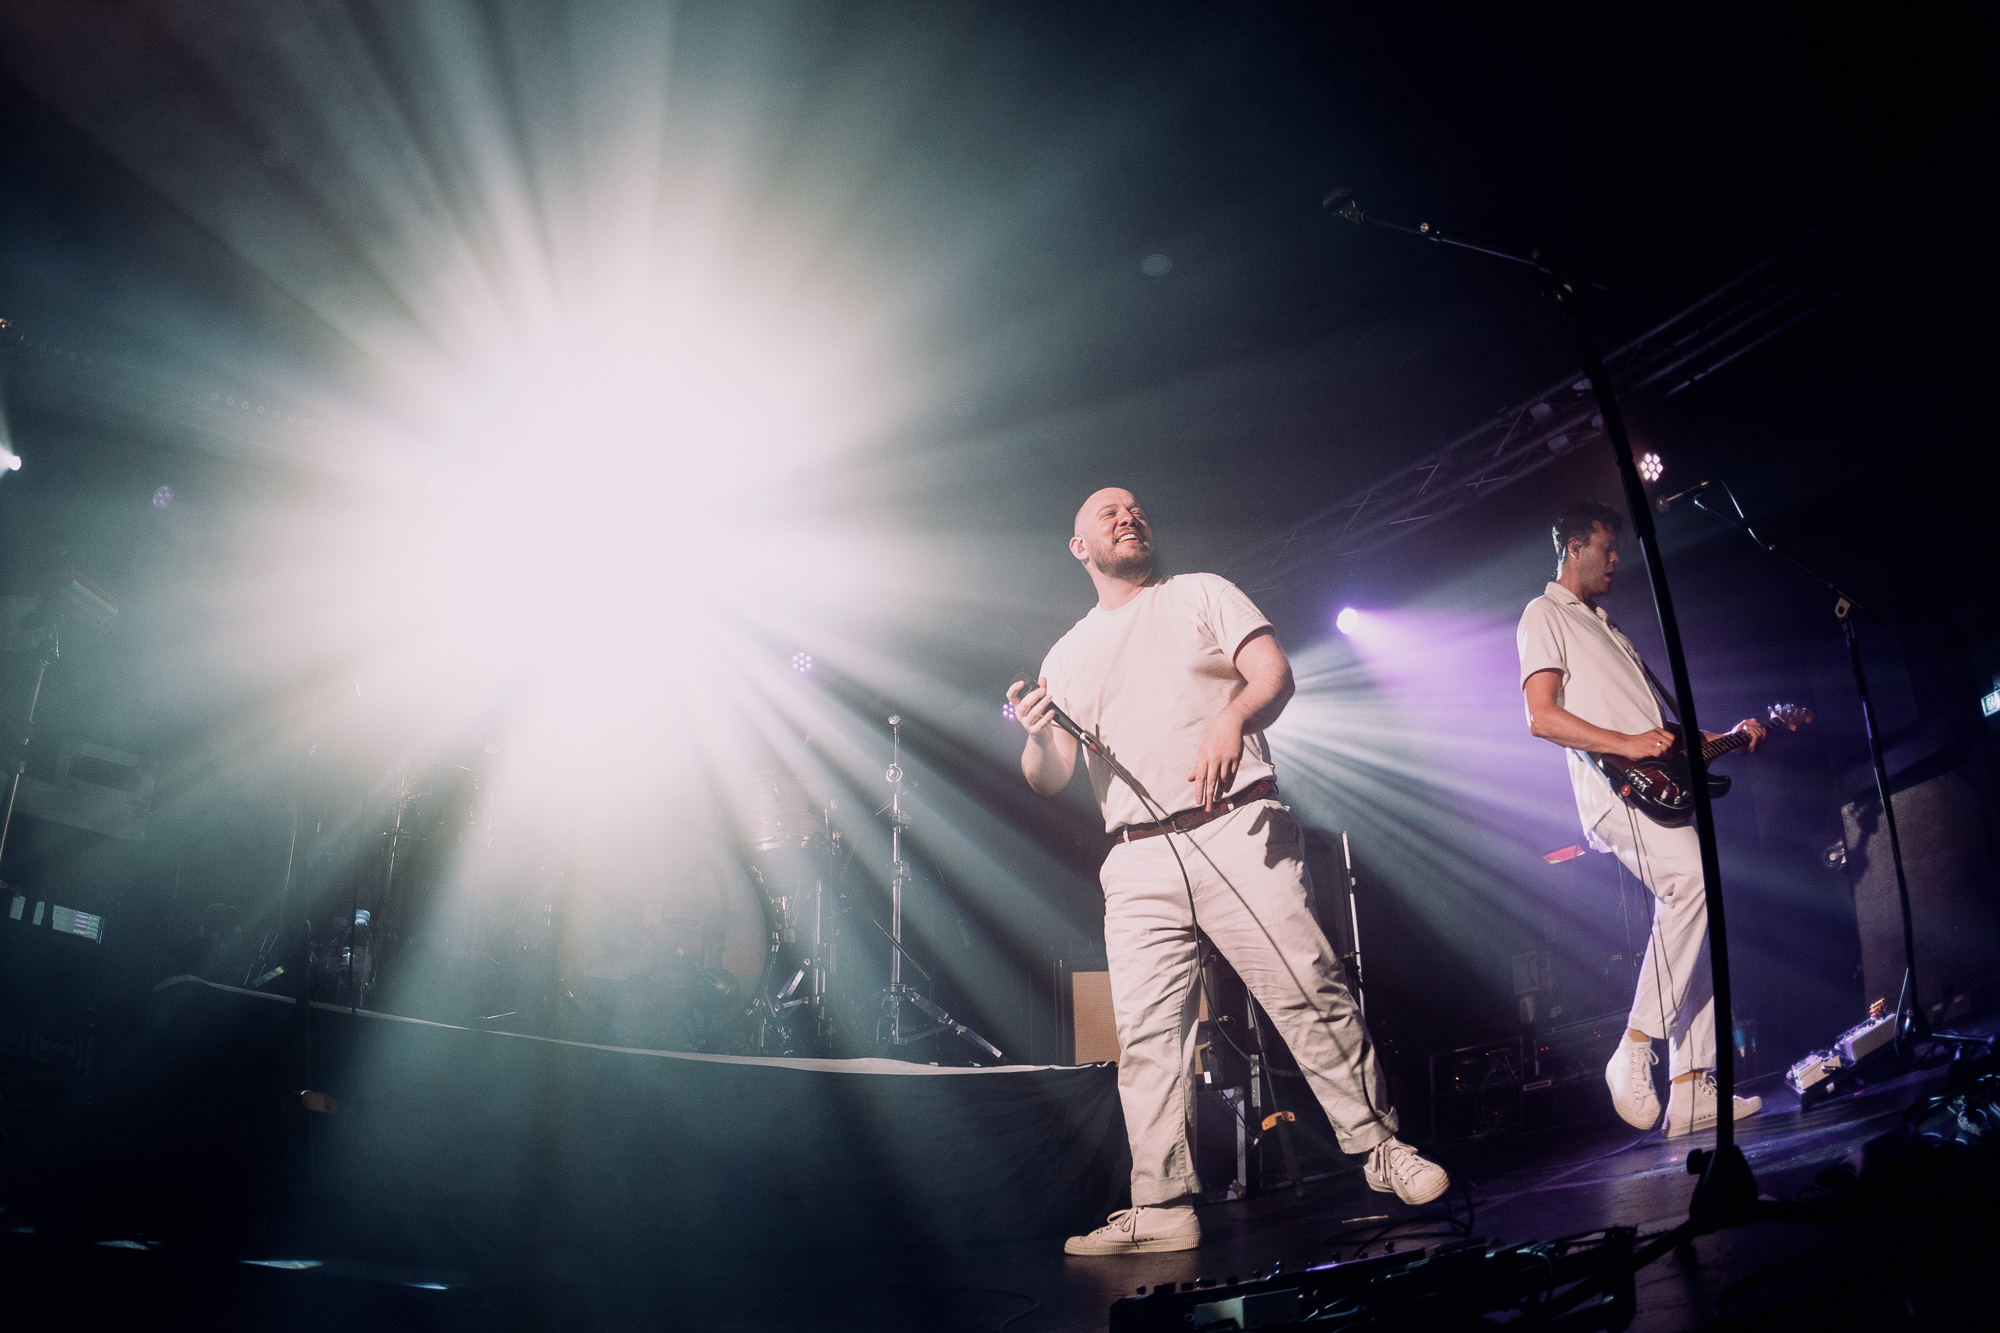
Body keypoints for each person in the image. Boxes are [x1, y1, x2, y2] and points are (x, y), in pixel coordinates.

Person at [1007, 486, 1448, 1257]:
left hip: (1234, 823)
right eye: (1109, 513)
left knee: (1307, 986)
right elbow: (1049, 777)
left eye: (1135, 508)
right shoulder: (1067, 654)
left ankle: (1380, 1147)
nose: (1128, 516)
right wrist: (1039, 737)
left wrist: (1232, 716)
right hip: (1137, 854)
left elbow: (1273, 672)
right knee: (1147, 1036)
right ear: (1080, 547)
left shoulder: (1201, 592)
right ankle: (1161, 1203)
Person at [1516, 500, 1766, 1138]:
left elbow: (1659, 732)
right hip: (1617, 791)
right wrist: (1626, 744)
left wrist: (1728, 735)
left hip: (1656, 786)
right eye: (1607, 547)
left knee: (1696, 917)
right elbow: (1542, 716)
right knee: (1692, 885)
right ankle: (1634, 1043)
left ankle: (1692, 1086)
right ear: (1574, 547)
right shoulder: (1544, 613)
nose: (1616, 559)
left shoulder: (1610, 628)